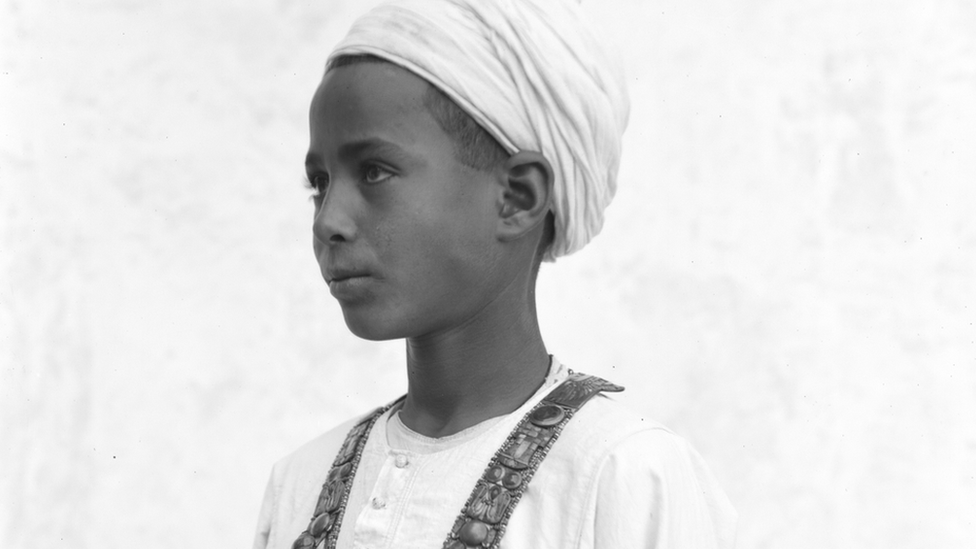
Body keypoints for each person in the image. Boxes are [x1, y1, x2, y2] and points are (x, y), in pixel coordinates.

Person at [253, 0, 737, 547]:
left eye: (375, 172)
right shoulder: (300, 482)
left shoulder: (620, 474)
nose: (329, 221)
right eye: (319, 183)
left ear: (517, 197)